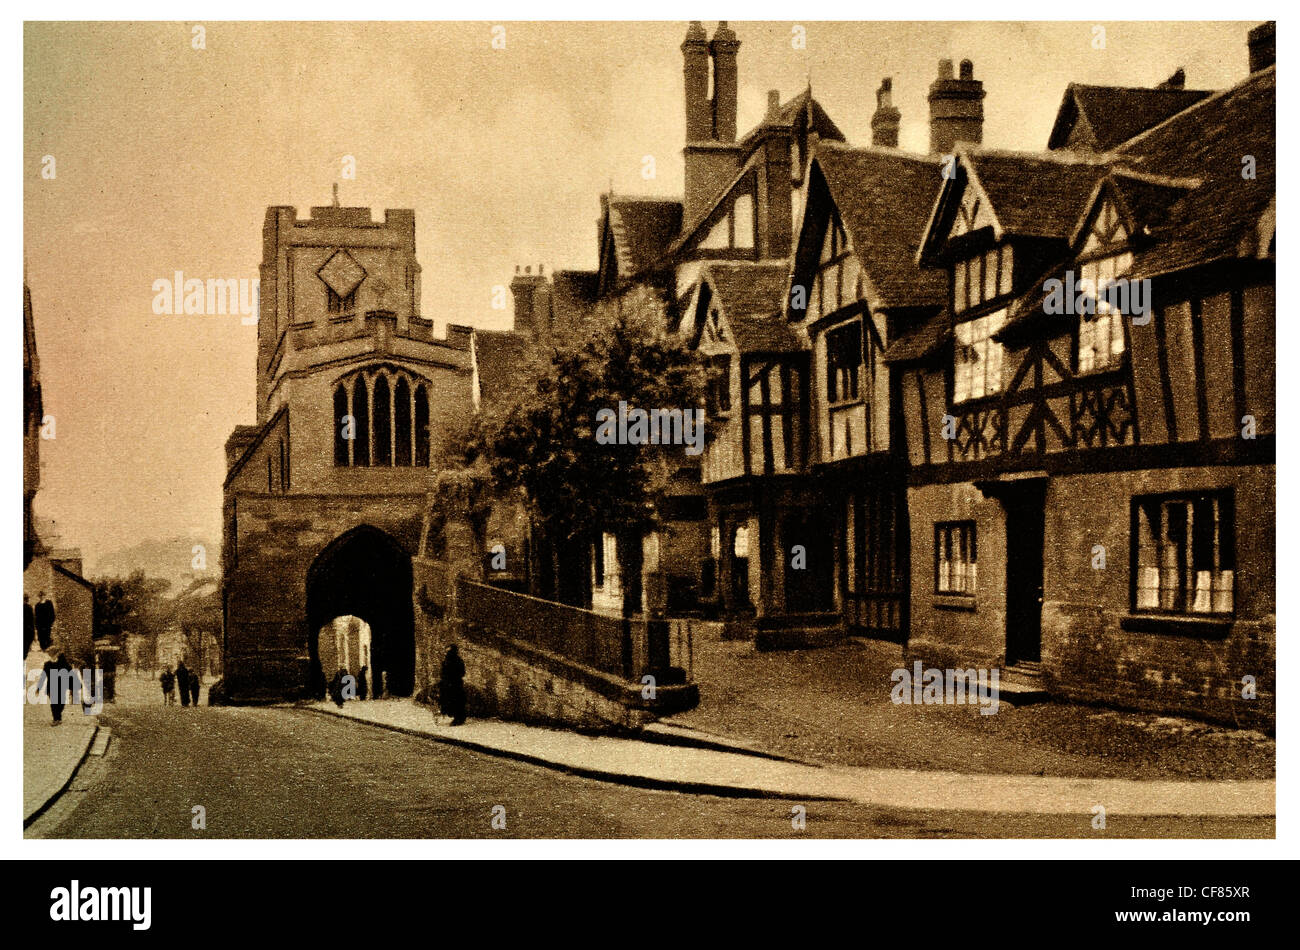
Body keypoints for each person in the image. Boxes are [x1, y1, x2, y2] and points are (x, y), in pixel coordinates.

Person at [39, 653, 78, 725]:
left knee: (59, 703)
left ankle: (57, 718)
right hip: (54, 687)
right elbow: (43, 676)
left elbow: (71, 677)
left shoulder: (64, 665)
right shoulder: (49, 664)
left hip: (59, 687)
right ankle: (56, 718)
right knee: (56, 703)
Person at [439, 644, 467, 726]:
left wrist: (453, 677)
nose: (447, 653)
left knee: (456, 701)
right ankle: (453, 716)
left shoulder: (458, 661)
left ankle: (459, 718)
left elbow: (462, 672)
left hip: (455, 684)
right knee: (448, 700)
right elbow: (442, 672)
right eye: (447, 652)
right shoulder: (446, 661)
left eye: (449, 651)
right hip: (447, 684)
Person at [23, 594, 35, 658]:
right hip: (28, 630)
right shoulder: (29, 608)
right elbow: (32, 620)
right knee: (25, 649)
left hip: (24, 629)